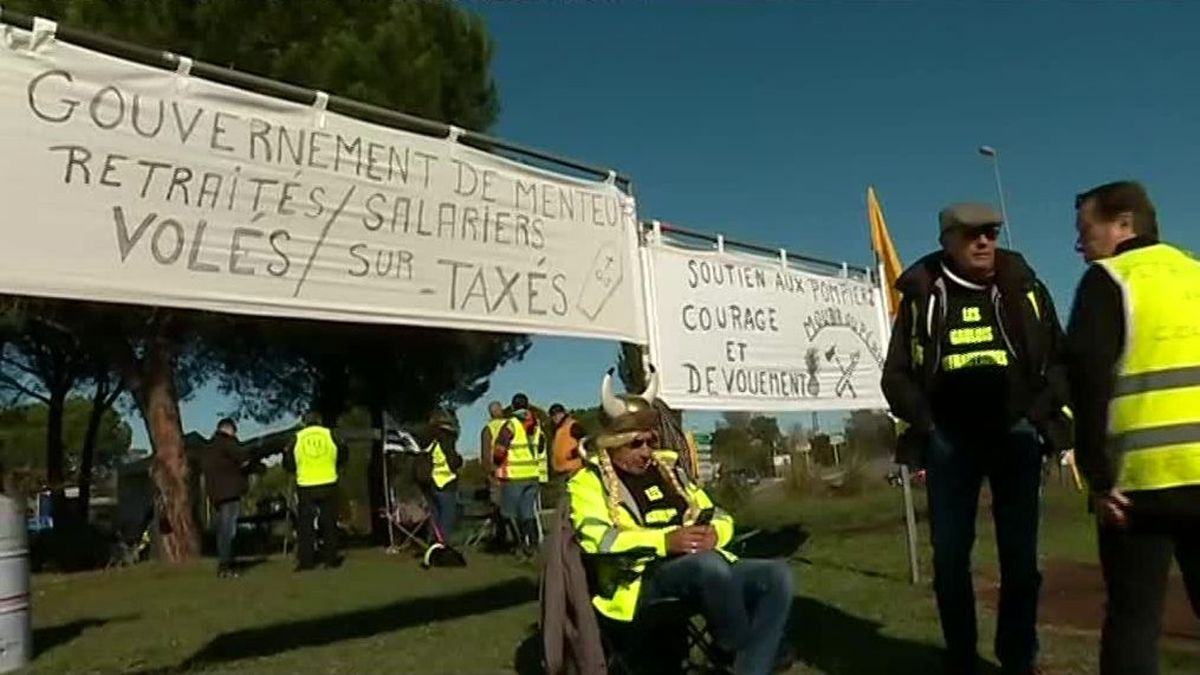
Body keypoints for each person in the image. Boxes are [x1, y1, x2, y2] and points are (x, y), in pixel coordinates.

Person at [881, 202, 1072, 675]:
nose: (984, 242)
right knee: (949, 560)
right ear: (947, 240)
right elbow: (896, 375)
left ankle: (1017, 658)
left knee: (1021, 560)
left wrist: (1036, 412)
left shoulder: (1025, 289)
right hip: (950, 442)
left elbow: (1061, 363)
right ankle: (961, 657)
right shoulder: (924, 296)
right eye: (971, 234)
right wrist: (926, 423)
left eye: (990, 232)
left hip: (1016, 437)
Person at [569, 368, 793, 675]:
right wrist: (663, 541)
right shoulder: (588, 481)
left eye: (650, 441)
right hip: (641, 580)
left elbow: (717, 513)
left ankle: (750, 669)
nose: (646, 451)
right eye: (636, 444)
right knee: (709, 566)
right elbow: (597, 538)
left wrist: (716, 533)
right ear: (611, 444)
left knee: (777, 574)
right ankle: (736, 645)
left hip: (707, 568)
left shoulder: (670, 470)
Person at [1065, 181, 1200, 675]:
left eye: (1086, 231)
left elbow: (1086, 381)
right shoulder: (1196, 274)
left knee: (1134, 619)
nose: (1081, 245)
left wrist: (1099, 479)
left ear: (1123, 224)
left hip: (1139, 487)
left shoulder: (1109, 280)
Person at [283, 411, 348, 571]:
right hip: (328, 482)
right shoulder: (330, 434)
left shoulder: (297, 437)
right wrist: (335, 466)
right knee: (329, 522)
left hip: (306, 484)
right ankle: (331, 559)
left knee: (305, 525)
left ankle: (306, 561)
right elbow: (344, 453)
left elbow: (288, 461)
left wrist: (295, 469)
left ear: (305, 422)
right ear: (319, 421)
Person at [494, 393, 543, 557]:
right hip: (532, 475)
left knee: (508, 513)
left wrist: (497, 460)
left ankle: (521, 545)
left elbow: (500, 451)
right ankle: (534, 545)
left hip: (514, 476)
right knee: (528, 512)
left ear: (513, 407)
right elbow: (541, 448)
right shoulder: (536, 424)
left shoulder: (511, 425)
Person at [200, 418, 249, 578]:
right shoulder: (227, 442)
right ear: (229, 429)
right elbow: (244, 458)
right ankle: (226, 565)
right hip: (230, 491)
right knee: (229, 531)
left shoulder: (209, 446)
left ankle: (224, 564)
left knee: (222, 530)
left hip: (215, 493)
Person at [416, 408, 464, 544]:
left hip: (428, 481)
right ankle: (443, 544)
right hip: (445, 481)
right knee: (447, 515)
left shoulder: (424, 438)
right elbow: (452, 460)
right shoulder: (445, 437)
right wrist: (459, 460)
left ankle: (433, 542)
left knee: (434, 514)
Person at [549, 403, 585, 476]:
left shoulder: (573, 426)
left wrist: (572, 453)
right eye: (553, 415)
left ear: (564, 413)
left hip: (574, 471)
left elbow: (585, 444)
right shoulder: (557, 429)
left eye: (558, 414)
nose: (556, 417)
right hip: (561, 472)